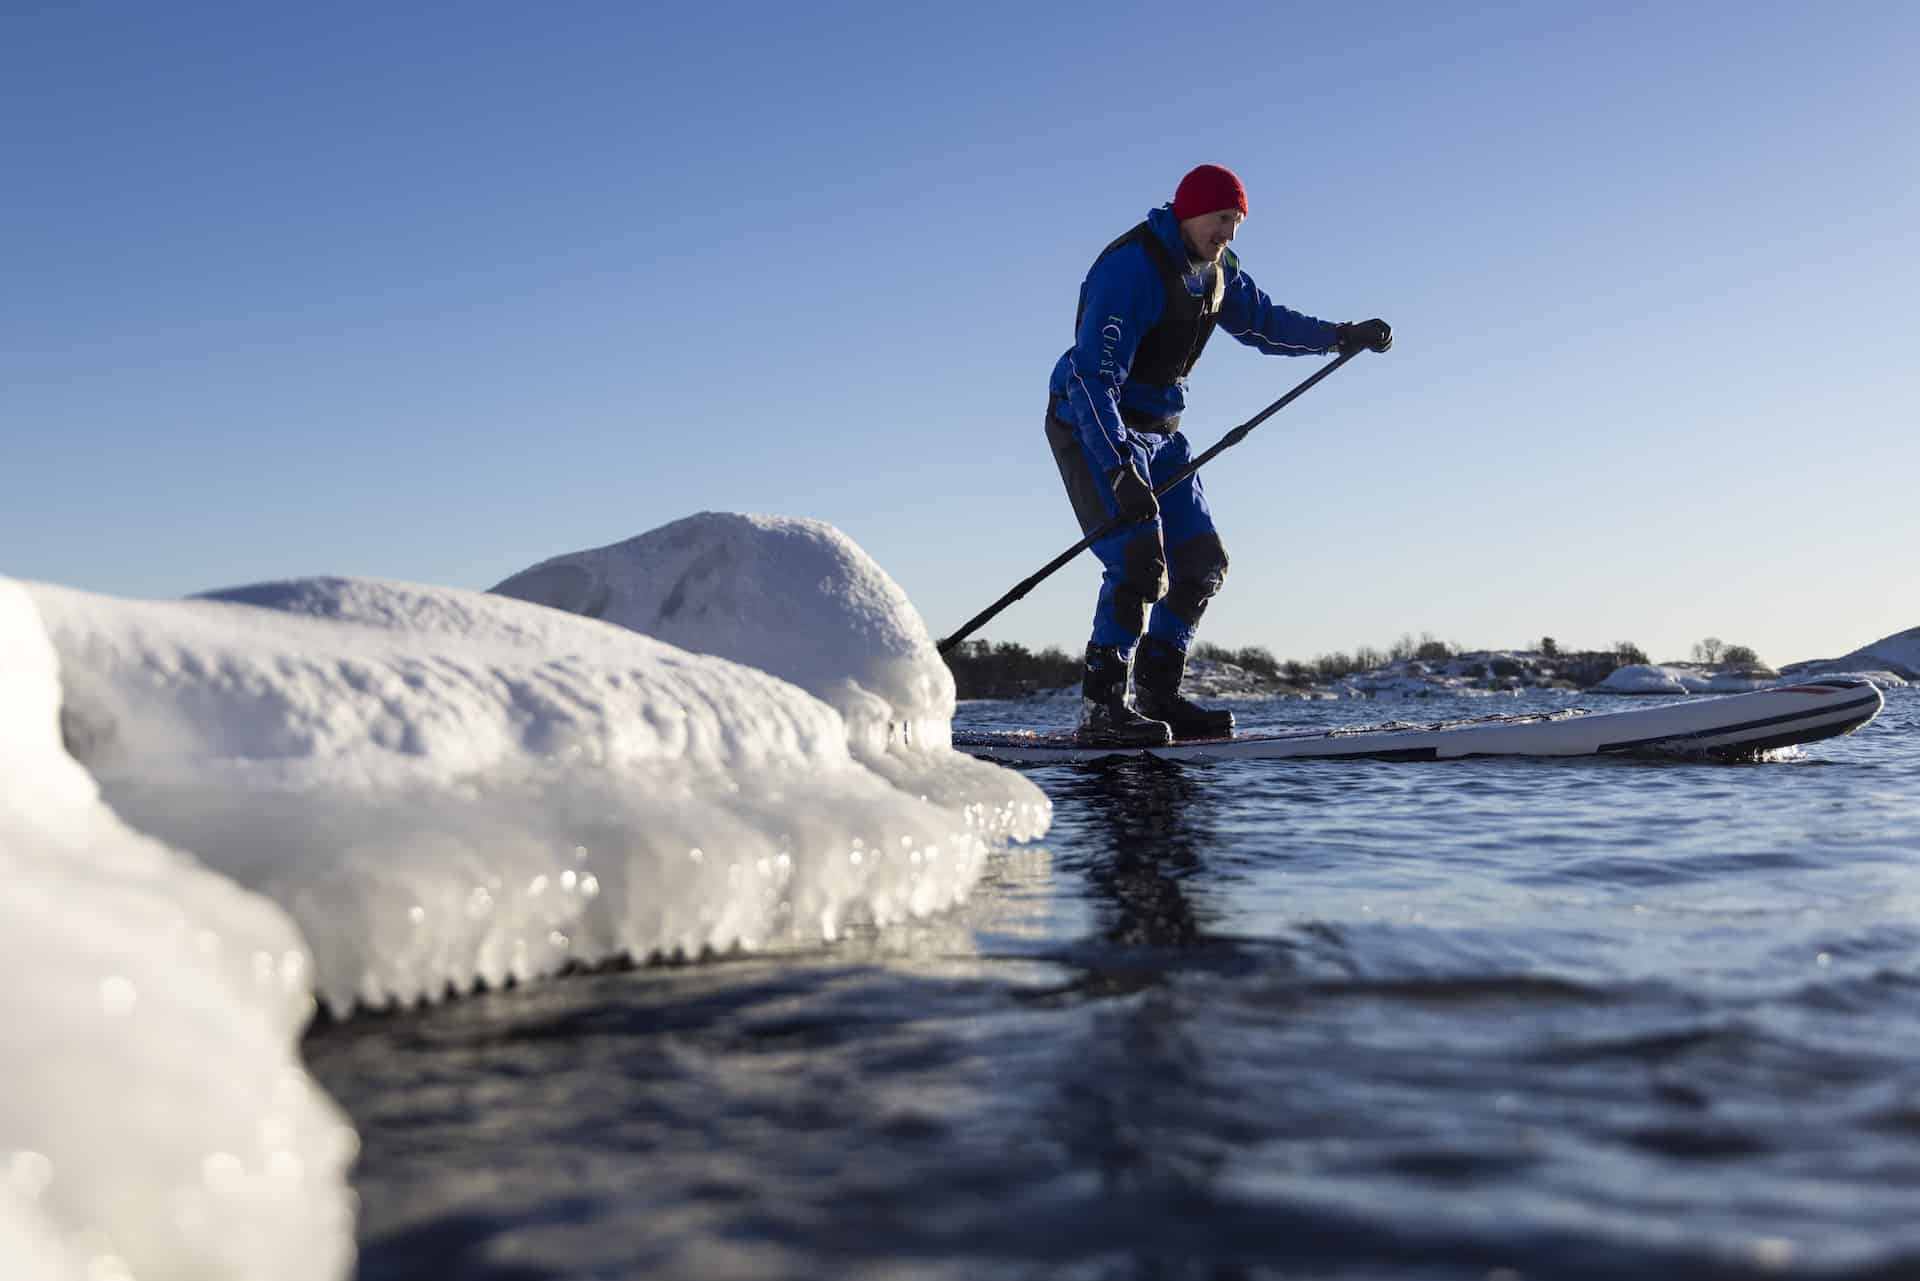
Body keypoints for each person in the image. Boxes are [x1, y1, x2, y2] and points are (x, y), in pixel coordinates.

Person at [1046, 164, 1391, 746]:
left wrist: (1340, 335)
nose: (1227, 232)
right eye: (1219, 218)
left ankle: (1159, 694)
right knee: (1136, 564)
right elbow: (1092, 379)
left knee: (1202, 562)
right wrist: (1118, 468)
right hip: (1094, 426)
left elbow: (1266, 324)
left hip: (1161, 431)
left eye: (1236, 221)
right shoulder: (1129, 269)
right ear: (1186, 211)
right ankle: (1102, 707)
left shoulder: (1219, 272)